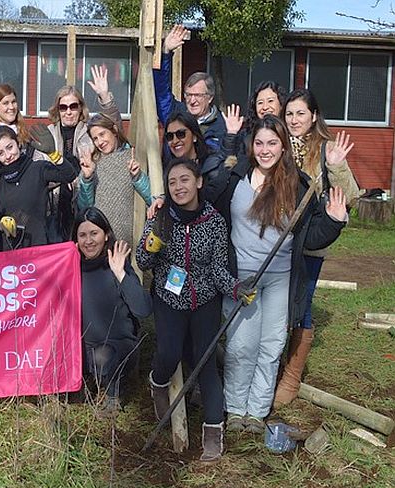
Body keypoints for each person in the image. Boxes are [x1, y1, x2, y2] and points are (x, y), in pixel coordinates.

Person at [215, 112, 348, 434]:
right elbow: (214, 215)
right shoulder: (236, 178)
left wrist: (333, 220)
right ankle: (235, 409)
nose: (265, 149)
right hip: (242, 278)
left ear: (283, 146)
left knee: (271, 344)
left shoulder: (299, 184)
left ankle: (257, 411)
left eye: (272, 143)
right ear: (251, 146)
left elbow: (311, 237)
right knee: (240, 345)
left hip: (280, 276)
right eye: (259, 142)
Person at [137, 158, 253, 461]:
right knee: (169, 353)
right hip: (169, 298)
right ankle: (158, 383)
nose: (179, 187)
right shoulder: (160, 216)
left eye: (185, 180)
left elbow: (218, 269)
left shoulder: (214, 221)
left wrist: (236, 289)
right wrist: (151, 247)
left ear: (198, 182)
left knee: (205, 364)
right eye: (173, 182)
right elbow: (142, 262)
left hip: (204, 300)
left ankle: (213, 431)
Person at [274, 88, 361, 406]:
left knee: (302, 304)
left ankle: (292, 375)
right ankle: (275, 364)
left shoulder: (326, 150)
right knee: (278, 303)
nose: (294, 119)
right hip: (280, 243)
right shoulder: (280, 146)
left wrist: (337, 166)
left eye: (300, 113)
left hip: (310, 243)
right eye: (289, 114)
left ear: (313, 116)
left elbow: (349, 196)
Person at [75, 207, 151, 414]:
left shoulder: (117, 264)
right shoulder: (72, 268)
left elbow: (143, 309)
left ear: (106, 234)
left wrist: (121, 274)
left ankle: (112, 396)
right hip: (85, 346)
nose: (88, 241)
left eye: (94, 233)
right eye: (82, 235)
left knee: (103, 356)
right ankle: (83, 386)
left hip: (118, 347)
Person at [45, 65, 121, 241]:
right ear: (57, 109)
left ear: (80, 108)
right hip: (54, 210)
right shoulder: (47, 134)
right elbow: (39, 172)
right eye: (63, 107)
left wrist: (105, 97)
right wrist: (62, 177)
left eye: (73, 106)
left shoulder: (90, 131)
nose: (69, 111)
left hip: (85, 205)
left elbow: (114, 129)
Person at [0, 126, 77, 248]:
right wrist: (0, 223)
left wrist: (54, 154)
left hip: (38, 247)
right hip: (11, 250)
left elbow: (69, 175)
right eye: (1, 153)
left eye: (10, 147)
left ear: (18, 143)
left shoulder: (37, 168)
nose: (8, 156)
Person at [76, 113, 150, 247]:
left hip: (128, 243)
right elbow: (85, 209)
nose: (100, 142)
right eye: (95, 138)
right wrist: (87, 179)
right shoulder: (91, 164)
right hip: (98, 243)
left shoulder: (133, 157)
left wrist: (138, 177)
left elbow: (152, 199)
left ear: (114, 130)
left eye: (102, 134)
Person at [154, 24, 226, 151]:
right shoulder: (175, 114)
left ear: (210, 98)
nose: (192, 101)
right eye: (188, 95)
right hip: (173, 170)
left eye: (198, 95)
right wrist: (166, 52)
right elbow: (160, 92)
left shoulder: (220, 126)